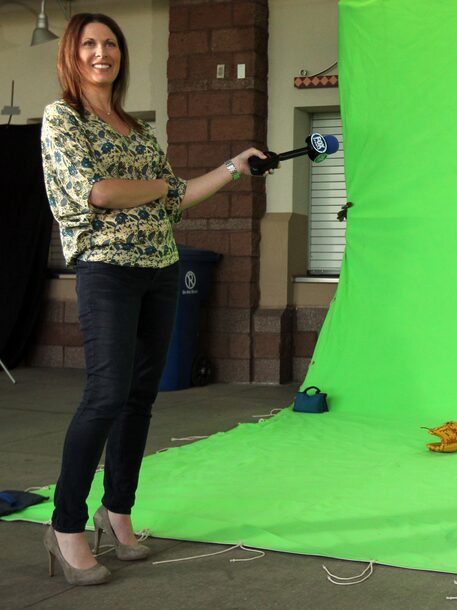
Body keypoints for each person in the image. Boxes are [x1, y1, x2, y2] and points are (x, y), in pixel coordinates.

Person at [40, 13, 269, 584]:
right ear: (72, 54)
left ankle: (117, 512)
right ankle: (64, 526)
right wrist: (166, 187)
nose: (102, 53)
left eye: (111, 43)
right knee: (106, 395)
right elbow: (98, 192)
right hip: (107, 273)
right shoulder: (61, 119)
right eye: (90, 44)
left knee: (140, 398)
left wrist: (234, 167)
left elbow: (177, 199)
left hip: (161, 271)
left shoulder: (138, 129)